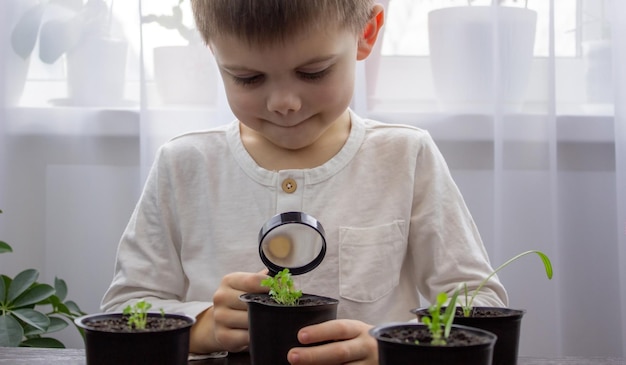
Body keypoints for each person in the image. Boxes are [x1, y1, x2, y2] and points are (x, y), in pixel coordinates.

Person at [101, 1, 508, 364]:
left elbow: (480, 302)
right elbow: (124, 307)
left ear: (366, 34)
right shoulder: (183, 165)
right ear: (214, 52)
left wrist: (392, 347)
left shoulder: (406, 155)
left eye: (313, 72)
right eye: (247, 78)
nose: (284, 103)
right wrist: (202, 326)